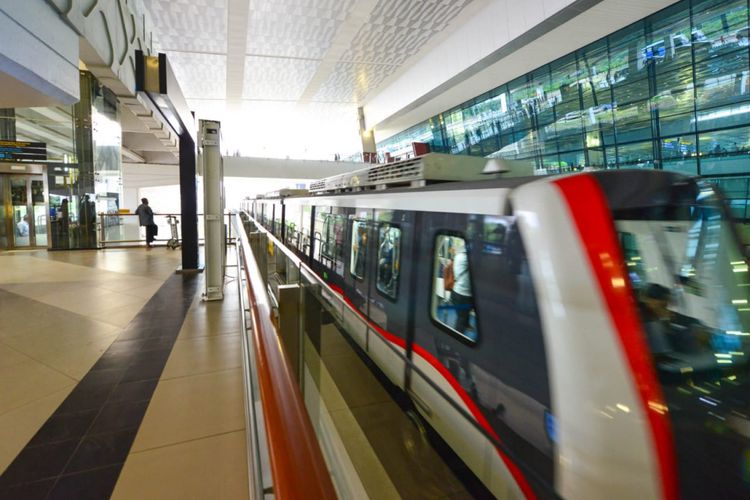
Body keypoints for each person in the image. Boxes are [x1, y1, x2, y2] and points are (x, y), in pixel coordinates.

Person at [450, 240, 474, 335]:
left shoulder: (458, 256)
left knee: (463, 314)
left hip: (456, 292)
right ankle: (458, 337)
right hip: (464, 295)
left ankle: (466, 324)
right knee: (461, 318)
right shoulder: (467, 259)